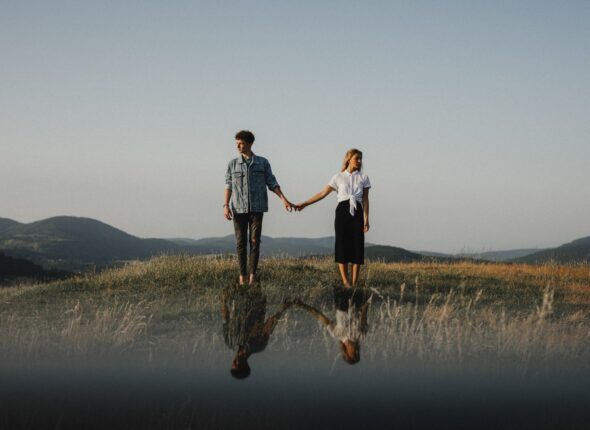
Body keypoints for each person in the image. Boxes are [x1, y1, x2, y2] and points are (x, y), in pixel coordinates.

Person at [224, 130, 293, 286]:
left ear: (249, 144)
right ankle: (242, 276)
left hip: (257, 208)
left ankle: (253, 276)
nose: (238, 147)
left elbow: (272, 182)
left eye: (241, 143)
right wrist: (225, 205)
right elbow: (228, 185)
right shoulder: (232, 164)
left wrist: (284, 200)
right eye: (236, 144)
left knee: (255, 241)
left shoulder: (263, 163)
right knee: (241, 242)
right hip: (238, 209)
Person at [295, 149, 371, 288]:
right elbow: (322, 193)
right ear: (349, 159)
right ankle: (345, 282)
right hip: (342, 212)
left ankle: (354, 284)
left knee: (357, 246)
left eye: (361, 159)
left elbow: (365, 200)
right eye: (357, 158)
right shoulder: (338, 177)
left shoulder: (364, 177)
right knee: (342, 244)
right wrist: (305, 203)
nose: (360, 161)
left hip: (357, 211)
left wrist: (366, 219)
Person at [221, 285, 293, 379]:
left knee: (242, 278)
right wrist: (283, 308)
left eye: (232, 364)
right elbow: (269, 325)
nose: (233, 362)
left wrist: (223, 301)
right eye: (236, 364)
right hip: (257, 303)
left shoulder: (229, 342)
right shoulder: (258, 346)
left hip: (239, 299)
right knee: (253, 278)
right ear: (245, 365)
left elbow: (225, 319)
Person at [293, 287, 371, 364]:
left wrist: (303, 305)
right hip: (356, 303)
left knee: (340, 283)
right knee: (355, 284)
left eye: (354, 354)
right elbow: (364, 313)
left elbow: (320, 316)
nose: (357, 351)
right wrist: (368, 299)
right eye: (358, 354)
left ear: (346, 352)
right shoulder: (361, 336)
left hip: (341, 305)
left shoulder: (337, 335)